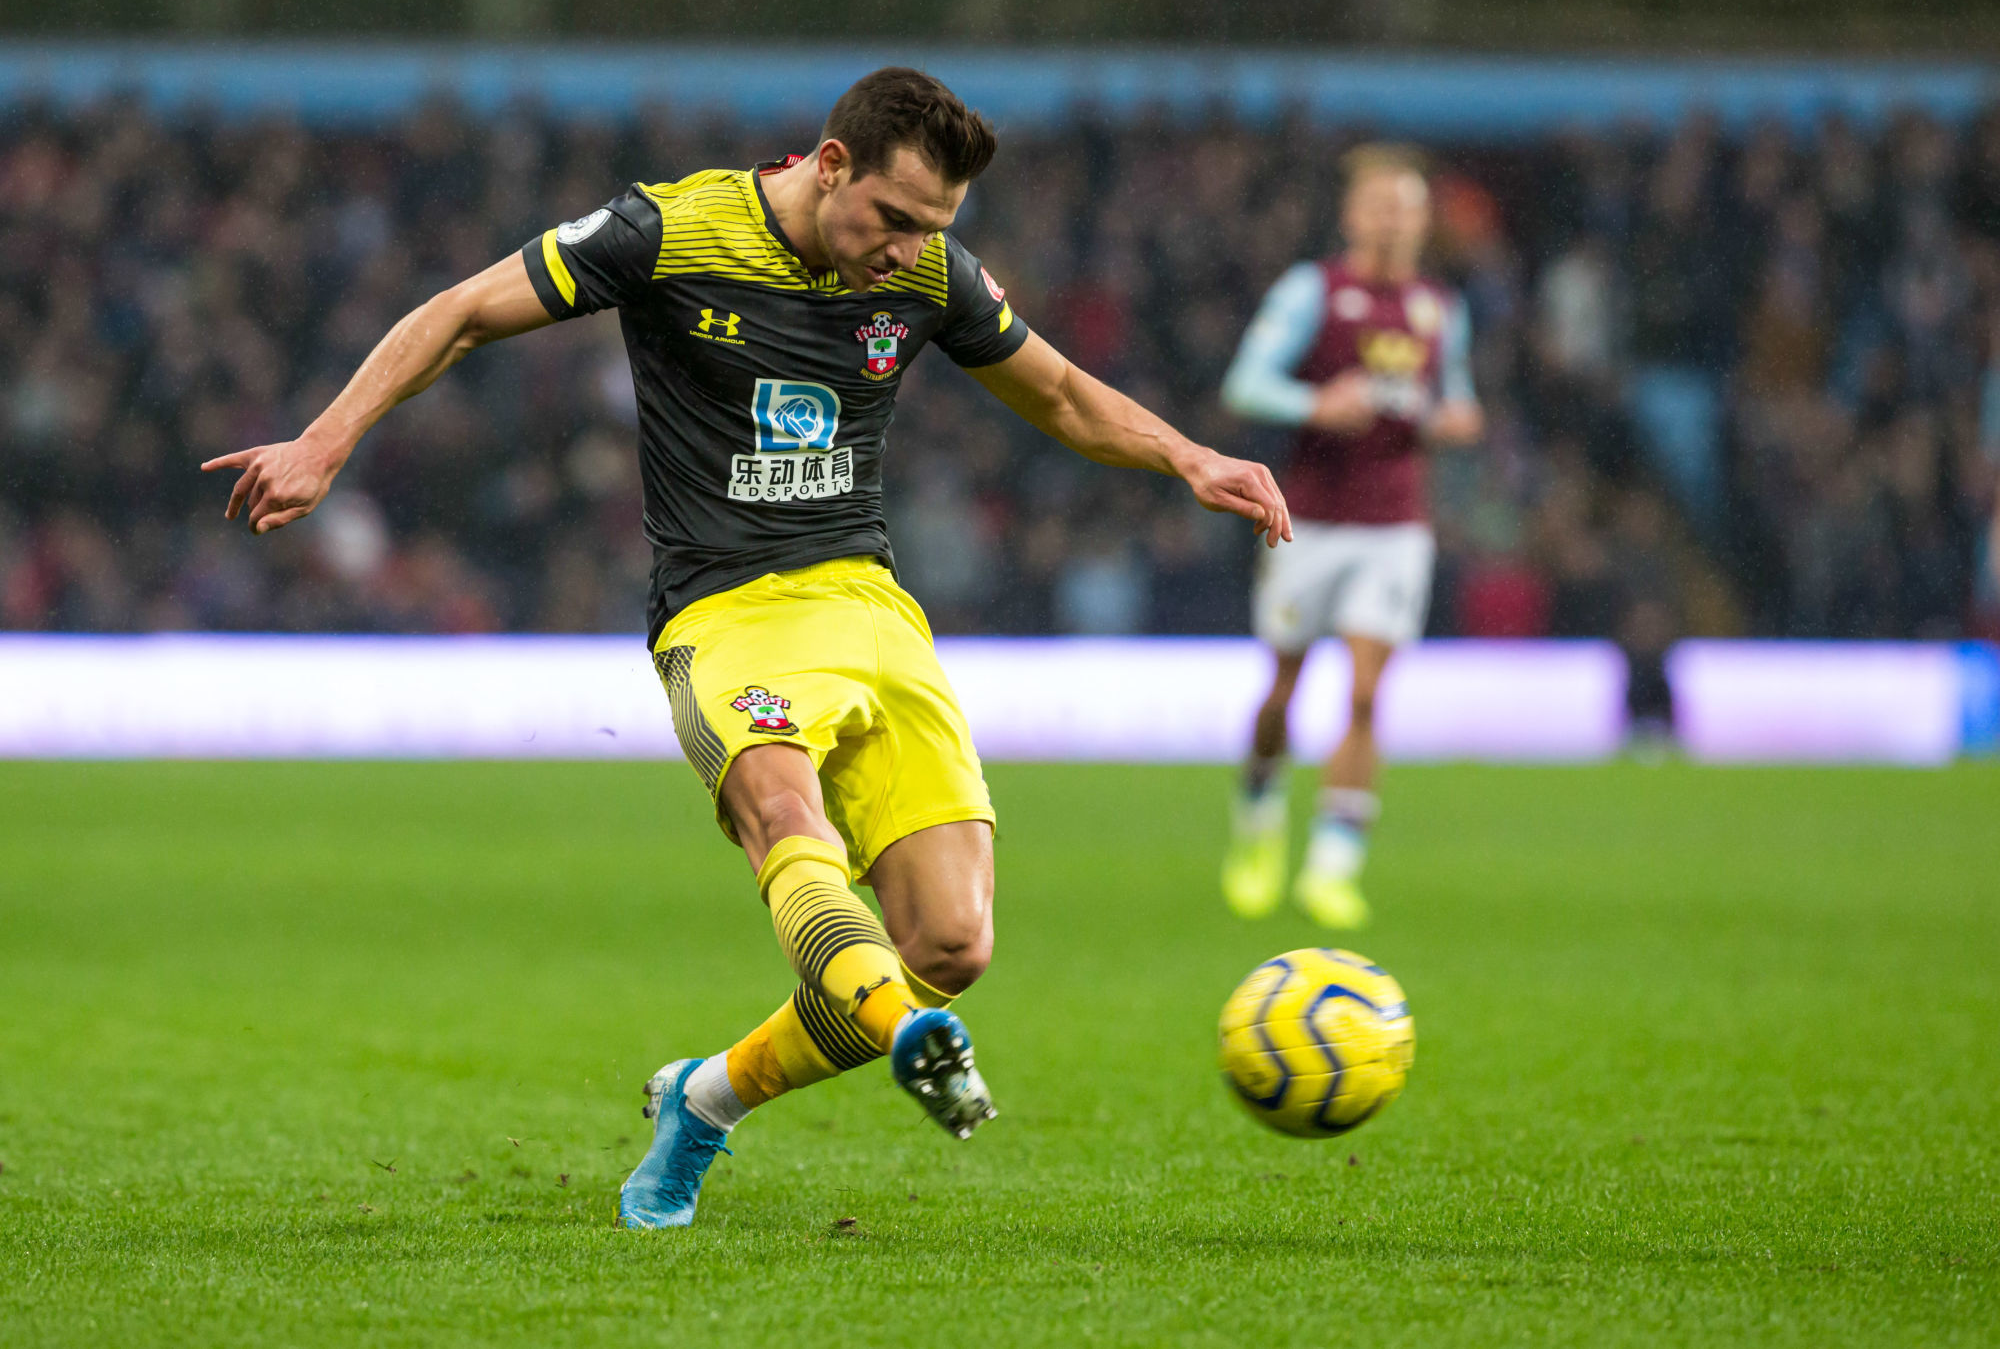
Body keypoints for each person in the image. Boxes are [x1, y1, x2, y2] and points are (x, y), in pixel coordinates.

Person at [203, 68, 1290, 1228]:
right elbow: (464, 311)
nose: (909, 250)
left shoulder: (926, 268)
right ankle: (908, 1035)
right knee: (787, 815)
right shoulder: (667, 230)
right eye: (893, 218)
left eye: (934, 230)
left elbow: (1064, 396)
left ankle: (708, 1097)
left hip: (869, 608)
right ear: (829, 165)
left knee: (951, 939)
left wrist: (1189, 457)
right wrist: (325, 441)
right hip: (725, 614)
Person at [1217, 143, 1482, 929]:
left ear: (1426, 221)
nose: (1395, 222)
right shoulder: (1315, 290)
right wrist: (1313, 406)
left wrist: (1454, 420)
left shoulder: (1442, 308)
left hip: (1396, 526)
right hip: (1311, 521)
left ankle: (1334, 867)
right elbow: (1245, 383)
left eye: (1408, 208)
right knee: (1284, 691)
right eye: (1381, 207)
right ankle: (1258, 813)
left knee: (1366, 694)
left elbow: (1458, 400)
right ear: (1353, 215)